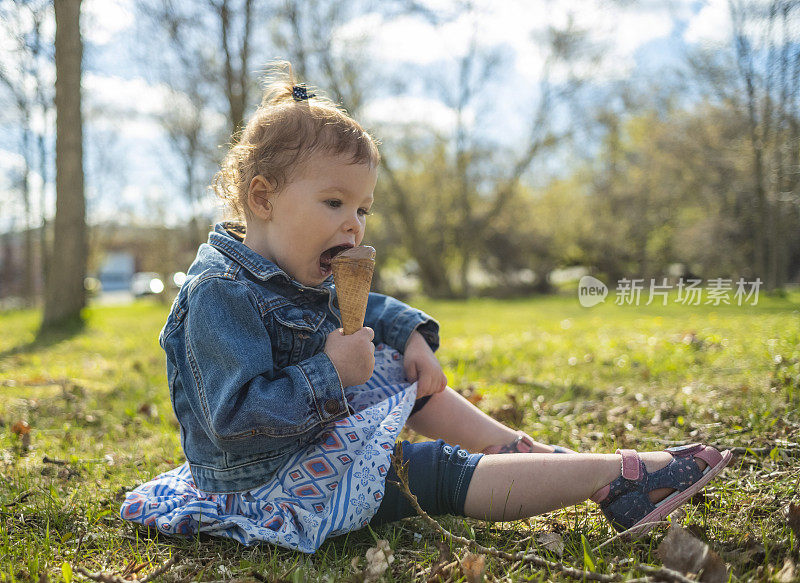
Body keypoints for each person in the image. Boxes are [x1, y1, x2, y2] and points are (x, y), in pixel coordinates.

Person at [120, 62, 732, 553]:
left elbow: (366, 306)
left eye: (363, 209)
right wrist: (329, 372)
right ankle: (612, 479)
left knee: (399, 368)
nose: (354, 226)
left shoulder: (291, 266)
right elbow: (234, 418)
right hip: (270, 484)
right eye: (334, 202)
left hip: (309, 442)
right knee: (424, 472)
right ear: (263, 198)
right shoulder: (218, 295)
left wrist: (409, 336)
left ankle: (524, 454)